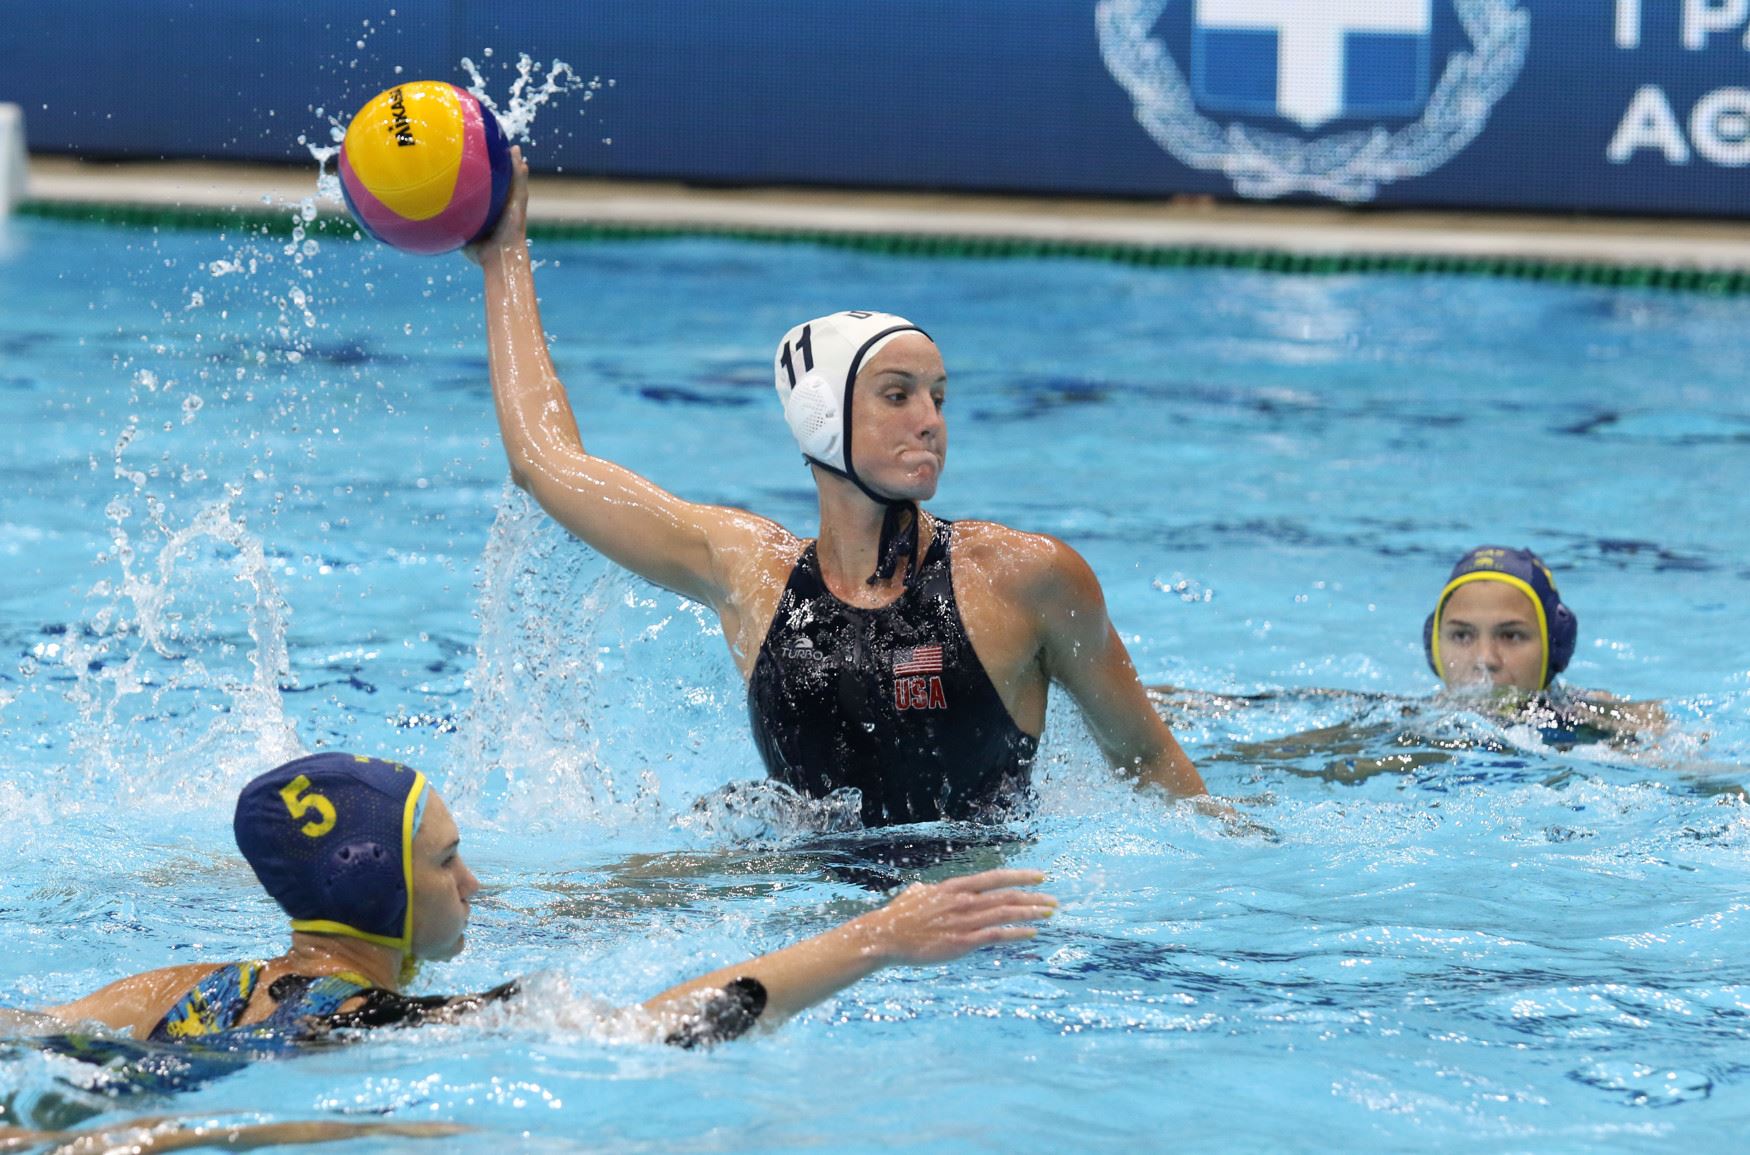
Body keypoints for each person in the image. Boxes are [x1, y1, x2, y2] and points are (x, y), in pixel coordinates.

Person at [468, 147, 1209, 826]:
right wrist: (505, 255)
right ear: (821, 417)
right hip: (799, 897)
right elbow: (545, 462)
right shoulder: (750, 573)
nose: (930, 421)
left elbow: (1148, 761)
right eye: (897, 395)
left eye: (939, 396)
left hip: (977, 916)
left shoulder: (1025, 578)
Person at [31, 753, 1055, 1060]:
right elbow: (666, 1032)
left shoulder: (179, 992)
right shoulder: (396, 1031)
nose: (472, 885)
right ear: (376, 889)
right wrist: (878, 937)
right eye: (445, 862)